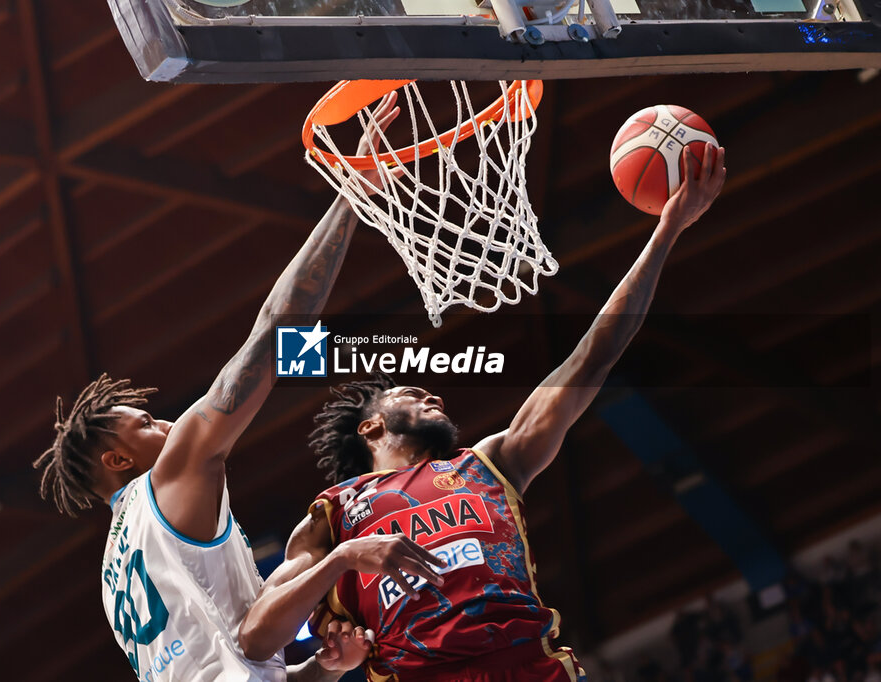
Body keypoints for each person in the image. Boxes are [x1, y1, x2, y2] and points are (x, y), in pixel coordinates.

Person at [240, 145, 728, 681]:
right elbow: (256, 636)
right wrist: (343, 559)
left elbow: (595, 354)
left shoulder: (491, 462)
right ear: (371, 426)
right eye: (412, 393)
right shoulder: (332, 517)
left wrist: (669, 229)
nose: (435, 398)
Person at [32, 95, 444, 681]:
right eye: (147, 425)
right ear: (119, 458)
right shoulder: (170, 477)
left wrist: (324, 672)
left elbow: (246, 657)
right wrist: (356, 193)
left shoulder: (115, 572)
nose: (171, 425)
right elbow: (274, 334)